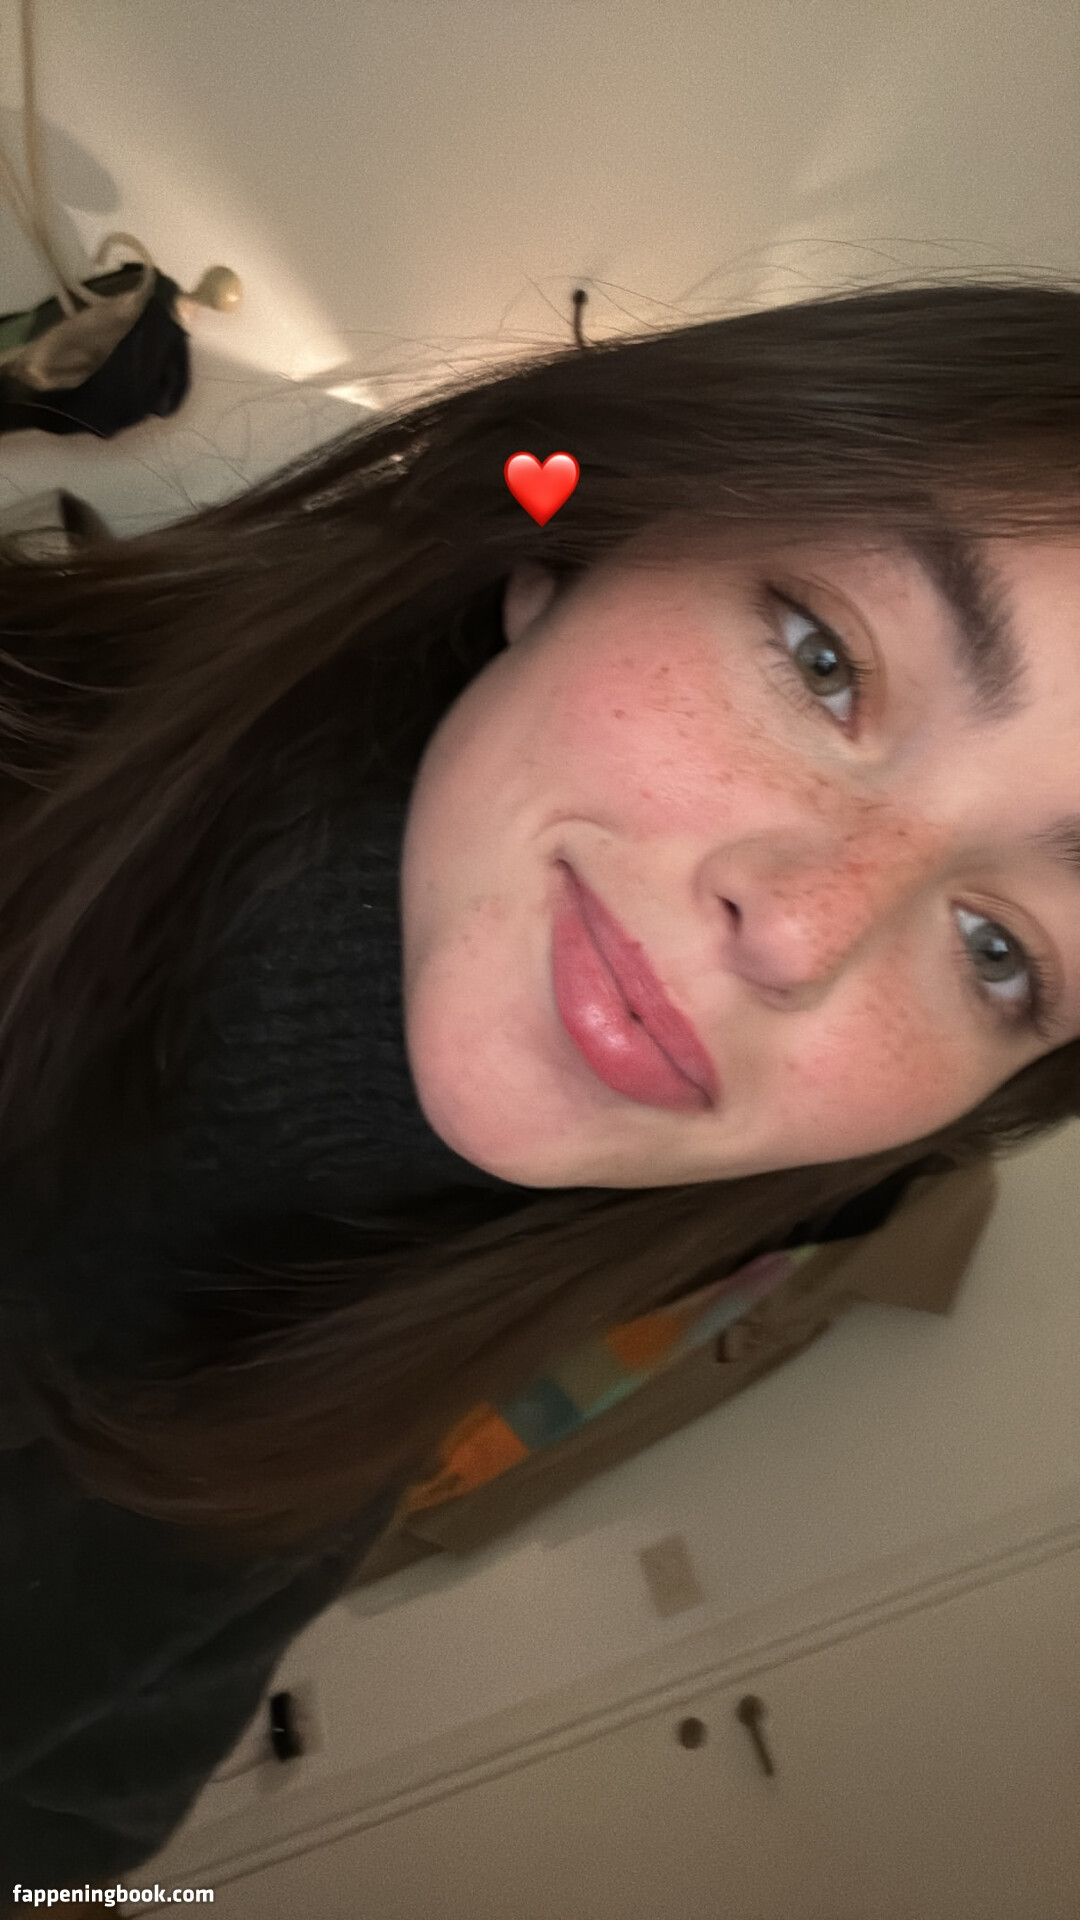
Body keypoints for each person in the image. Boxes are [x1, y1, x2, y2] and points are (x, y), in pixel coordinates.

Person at [1, 274, 1079, 1894]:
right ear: (570, 545)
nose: (802, 929)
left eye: (1002, 951)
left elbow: (63, 1843)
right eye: (823, 659)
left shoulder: (322, 1426)